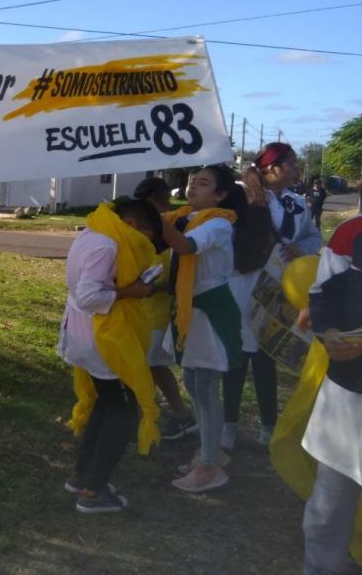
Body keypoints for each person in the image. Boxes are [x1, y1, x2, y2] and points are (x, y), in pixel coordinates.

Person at [59, 198, 160, 514]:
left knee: (107, 403)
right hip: (101, 338)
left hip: (85, 334)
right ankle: (92, 491)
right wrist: (133, 291)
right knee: (124, 414)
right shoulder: (109, 246)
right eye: (144, 236)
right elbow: (90, 296)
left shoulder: (93, 231)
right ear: (131, 225)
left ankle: (81, 476)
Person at [222, 143, 323, 449]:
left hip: (279, 290)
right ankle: (229, 425)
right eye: (291, 163)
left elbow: (313, 236)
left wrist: (301, 248)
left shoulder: (295, 202)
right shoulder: (240, 195)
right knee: (237, 358)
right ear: (270, 167)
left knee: (267, 356)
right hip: (241, 286)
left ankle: (268, 425)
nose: (296, 169)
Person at [161, 165, 247, 492]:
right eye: (191, 182)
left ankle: (210, 466)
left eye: (203, 183)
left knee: (206, 388)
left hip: (210, 312)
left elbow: (186, 247)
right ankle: (210, 451)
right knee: (194, 382)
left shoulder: (218, 223)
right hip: (190, 311)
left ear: (221, 195)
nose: (192, 187)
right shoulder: (182, 218)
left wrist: (157, 222)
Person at [300, 223, 362, 574]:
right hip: (348, 395)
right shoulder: (357, 231)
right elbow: (325, 293)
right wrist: (327, 331)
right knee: (327, 512)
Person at [133, 177, 197, 440]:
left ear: (159, 201)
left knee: (150, 366)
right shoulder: (137, 227)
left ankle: (173, 416)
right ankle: (168, 416)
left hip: (157, 310)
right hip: (137, 308)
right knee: (147, 366)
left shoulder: (173, 227)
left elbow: (175, 276)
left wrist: (151, 287)